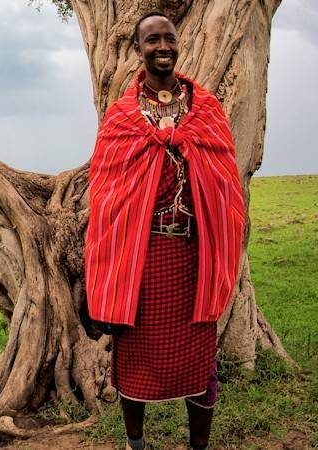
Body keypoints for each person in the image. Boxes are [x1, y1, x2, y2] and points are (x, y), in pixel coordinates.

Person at [83, 12, 246, 450]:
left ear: (178, 44)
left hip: (195, 254)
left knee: (199, 362)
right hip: (140, 258)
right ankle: (137, 444)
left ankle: (198, 447)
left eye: (169, 39)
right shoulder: (121, 118)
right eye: (152, 40)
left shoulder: (206, 110)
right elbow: (106, 197)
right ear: (138, 50)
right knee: (134, 358)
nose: (162, 47)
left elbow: (226, 185)